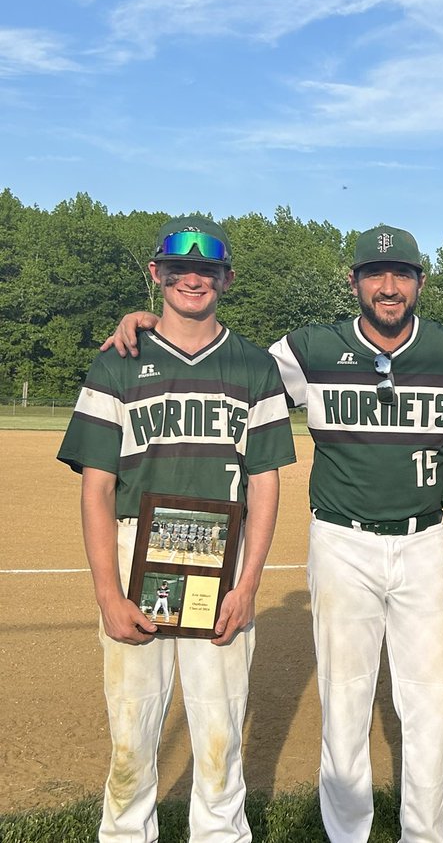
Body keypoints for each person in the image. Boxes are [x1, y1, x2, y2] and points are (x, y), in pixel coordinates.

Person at [103, 226, 443, 843]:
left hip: (428, 538)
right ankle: (347, 835)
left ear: (420, 283)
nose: (388, 286)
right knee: (344, 703)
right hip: (340, 541)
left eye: (401, 273)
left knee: (430, 703)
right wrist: (148, 323)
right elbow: (223, 359)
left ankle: (423, 836)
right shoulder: (307, 349)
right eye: (375, 273)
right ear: (353, 282)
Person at [58, 216, 295, 843]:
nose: (194, 279)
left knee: (220, 726)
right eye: (179, 268)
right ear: (156, 274)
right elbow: (97, 487)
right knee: (132, 729)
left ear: (227, 278)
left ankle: (220, 834)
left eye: (208, 269)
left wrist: (248, 586)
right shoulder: (116, 362)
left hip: (222, 550)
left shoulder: (253, 366)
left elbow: (266, 481)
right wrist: (107, 595)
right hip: (138, 547)